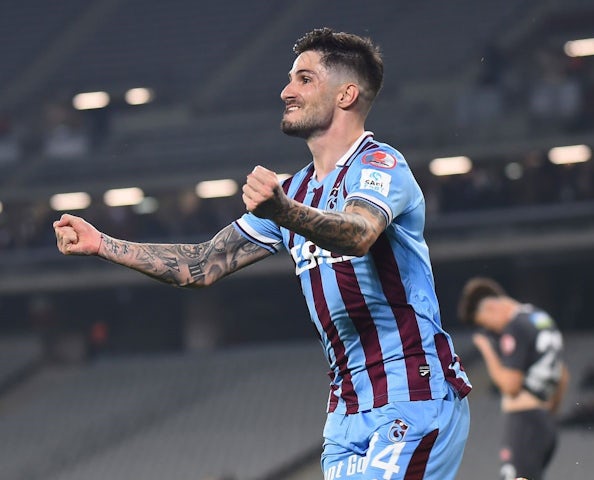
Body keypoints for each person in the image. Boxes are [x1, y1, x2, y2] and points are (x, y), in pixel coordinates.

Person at [54, 28, 472, 479]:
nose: (286, 90)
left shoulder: (380, 165)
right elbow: (201, 265)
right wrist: (104, 245)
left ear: (347, 94)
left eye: (304, 79)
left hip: (413, 397)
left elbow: (359, 233)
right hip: (346, 412)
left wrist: (286, 213)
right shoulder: (295, 189)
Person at [457, 277, 569, 480]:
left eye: (486, 323)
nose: (492, 331)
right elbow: (563, 376)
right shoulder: (540, 318)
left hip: (524, 419)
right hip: (544, 421)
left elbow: (511, 386)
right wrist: (546, 415)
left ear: (490, 307)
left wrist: (487, 350)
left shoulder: (515, 326)